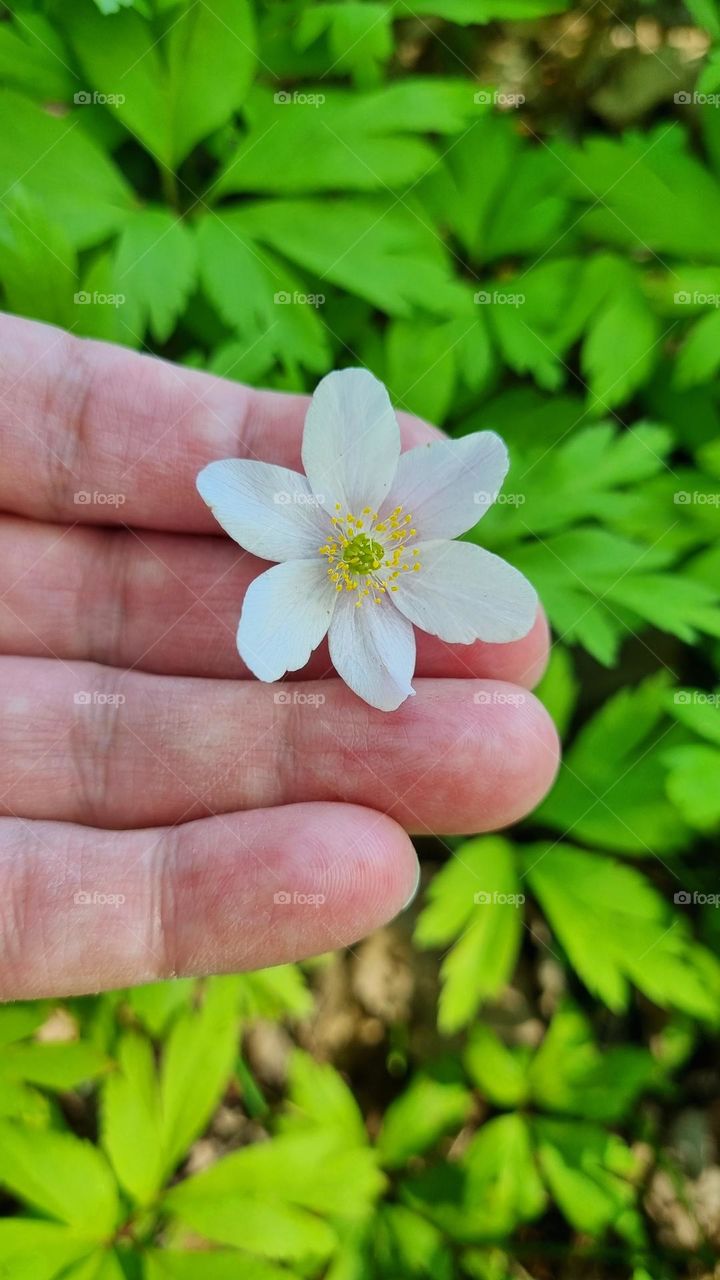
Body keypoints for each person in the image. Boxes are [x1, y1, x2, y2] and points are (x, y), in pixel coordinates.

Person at [0, 314, 559, 999]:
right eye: (363, 549)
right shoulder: (304, 532)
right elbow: (239, 503)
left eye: (372, 550)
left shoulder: (387, 600)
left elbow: (391, 673)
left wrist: (396, 678)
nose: (367, 551)